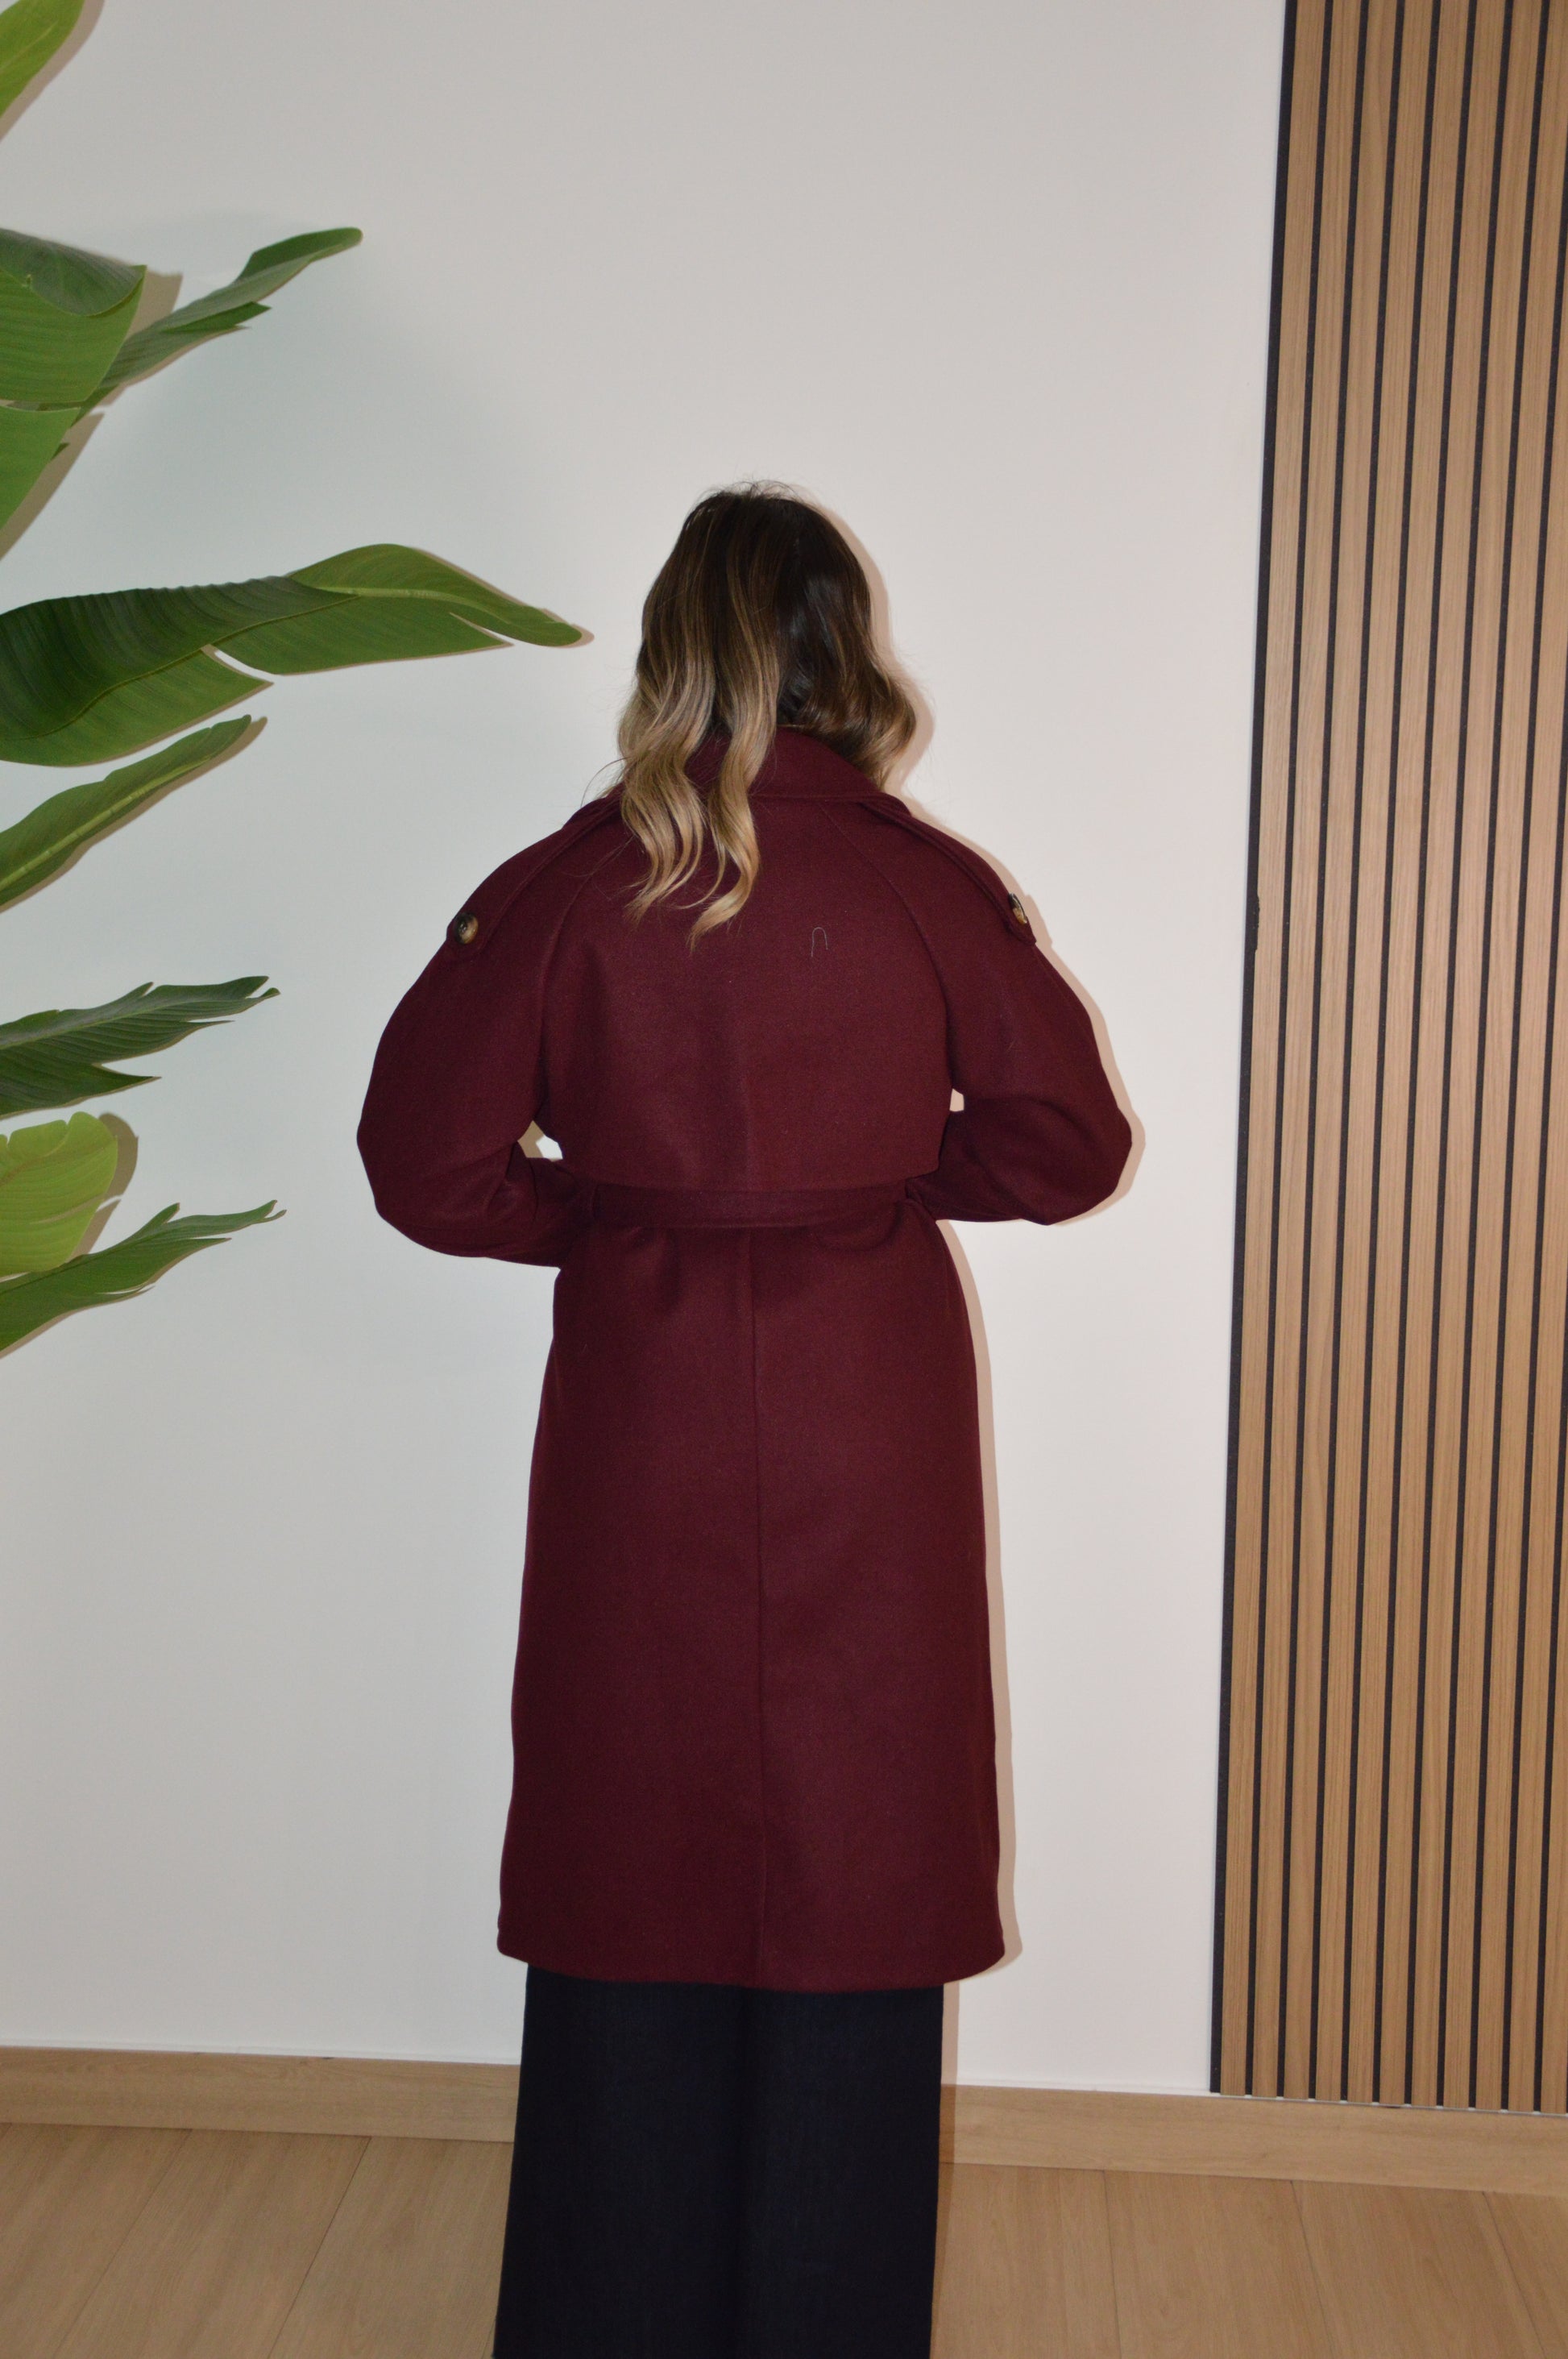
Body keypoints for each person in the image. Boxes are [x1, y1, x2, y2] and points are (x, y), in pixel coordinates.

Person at [357, 483, 1130, 2359]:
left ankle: (607, 2314)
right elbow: (1065, 1148)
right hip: (871, 1396)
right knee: (861, 1821)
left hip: (647, 1397)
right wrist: (882, 1187)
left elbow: (425, 1164)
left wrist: (616, 1217)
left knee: (631, 1821)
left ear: (667, 653)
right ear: (846, 655)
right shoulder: (924, 883)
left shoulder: (570, 883)